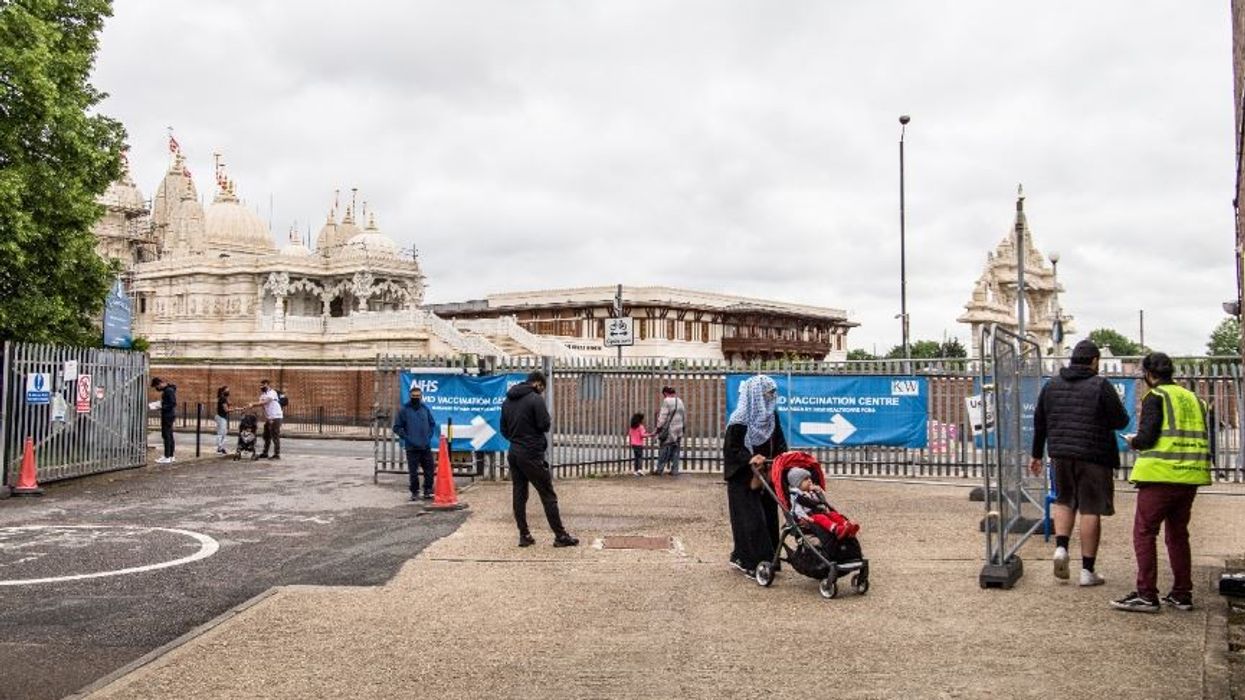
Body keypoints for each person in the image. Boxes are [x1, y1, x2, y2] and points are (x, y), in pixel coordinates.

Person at [1111, 352, 1213, 613]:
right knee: (1178, 534)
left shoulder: (1155, 396)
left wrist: (1133, 440)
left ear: (1148, 374)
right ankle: (1182, 593)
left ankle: (1146, 594)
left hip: (1160, 476)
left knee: (1145, 532)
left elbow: (1147, 438)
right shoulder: (1194, 399)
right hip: (1190, 477)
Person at [1029, 339, 1130, 587]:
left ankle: (1061, 547)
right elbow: (1121, 420)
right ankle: (1087, 570)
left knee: (1064, 500)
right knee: (1090, 508)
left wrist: (1036, 454)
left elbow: (1040, 421)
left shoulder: (1051, 385)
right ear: (1095, 361)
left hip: (1060, 454)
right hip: (1094, 455)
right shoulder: (1101, 385)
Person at [500, 370, 578, 548]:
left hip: (514, 452)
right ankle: (560, 536)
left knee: (519, 494)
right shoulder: (535, 399)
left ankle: (524, 535)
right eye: (542, 388)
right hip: (531, 454)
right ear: (537, 383)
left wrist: (517, 439)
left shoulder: (507, 401)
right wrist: (531, 439)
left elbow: (503, 430)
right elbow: (544, 424)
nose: (542, 391)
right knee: (548, 494)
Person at [723, 374, 787, 576]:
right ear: (756, 395)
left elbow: (779, 443)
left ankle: (770, 559)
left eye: (773, 393)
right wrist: (750, 458)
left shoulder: (772, 418)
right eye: (768, 393)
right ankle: (750, 561)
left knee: (769, 517)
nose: (772, 397)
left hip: (766, 475)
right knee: (750, 519)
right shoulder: (739, 421)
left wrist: (781, 459)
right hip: (744, 478)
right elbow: (732, 449)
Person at [393, 385, 438, 501]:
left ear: (421, 396)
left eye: (418, 396)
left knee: (429, 469)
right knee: (413, 472)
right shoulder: (404, 410)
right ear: (410, 396)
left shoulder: (425, 409)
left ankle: (428, 490)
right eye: (414, 396)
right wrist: (406, 437)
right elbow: (396, 427)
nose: (416, 398)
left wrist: (428, 437)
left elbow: (432, 424)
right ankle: (415, 492)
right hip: (411, 447)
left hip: (425, 446)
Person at [787, 467, 859, 540]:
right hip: (807, 517)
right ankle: (836, 530)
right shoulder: (796, 495)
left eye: (809, 478)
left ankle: (847, 526)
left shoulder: (809, 491)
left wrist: (818, 491)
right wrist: (806, 518)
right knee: (821, 518)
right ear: (797, 483)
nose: (810, 480)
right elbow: (797, 510)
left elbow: (820, 501)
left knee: (833, 514)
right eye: (806, 479)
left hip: (817, 512)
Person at [652, 386, 686, 476]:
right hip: (679, 429)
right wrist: (683, 428)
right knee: (676, 450)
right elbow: (684, 416)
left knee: (664, 449)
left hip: (670, 430)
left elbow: (663, 417)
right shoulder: (680, 401)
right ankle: (675, 470)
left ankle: (659, 470)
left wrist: (658, 428)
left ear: (666, 393)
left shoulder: (667, 401)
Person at [248, 379, 284, 460]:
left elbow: (266, 402)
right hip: (269, 418)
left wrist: (253, 404)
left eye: (263, 385)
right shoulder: (262, 396)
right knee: (266, 436)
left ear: (267, 384)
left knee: (275, 435)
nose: (261, 387)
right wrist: (267, 418)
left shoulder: (272, 392)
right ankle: (265, 453)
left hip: (276, 416)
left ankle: (276, 454)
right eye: (260, 385)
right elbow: (263, 407)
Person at [151, 377, 177, 464]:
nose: (157, 389)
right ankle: (170, 455)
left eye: (157, 387)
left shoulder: (168, 391)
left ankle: (167, 456)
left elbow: (172, 403)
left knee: (166, 435)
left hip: (167, 415)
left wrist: (161, 406)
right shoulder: (169, 390)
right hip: (169, 415)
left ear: (159, 384)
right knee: (169, 435)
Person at [628, 412, 649, 477]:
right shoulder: (641, 427)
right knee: (640, 457)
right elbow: (642, 435)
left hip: (633, 444)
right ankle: (639, 470)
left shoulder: (632, 427)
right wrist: (650, 434)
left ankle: (636, 470)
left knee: (636, 458)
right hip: (639, 444)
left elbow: (630, 434)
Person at [214, 386, 232, 455]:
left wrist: (229, 404)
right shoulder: (223, 399)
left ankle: (221, 447)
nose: (228, 391)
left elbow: (226, 407)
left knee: (223, 433)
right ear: (223, 391)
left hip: (221, 417)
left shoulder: (223, 398)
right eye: (227, 390)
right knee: (221, 433)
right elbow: (226, 410)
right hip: (221, 417)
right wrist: (235, 409)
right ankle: (220, 448)